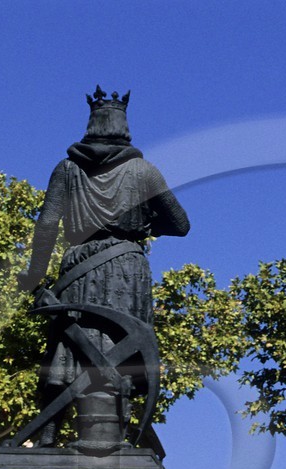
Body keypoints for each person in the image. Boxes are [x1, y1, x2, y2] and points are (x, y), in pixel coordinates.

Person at [18, 87, 190, 450]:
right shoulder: (144, 171)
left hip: (79, 266)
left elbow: (47, 224)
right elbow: (180, 223)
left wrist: (36, 277)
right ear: (124, 126)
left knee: (66, 348)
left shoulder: (67, 168)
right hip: (126, 269)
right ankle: (122, 436)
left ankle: (47, 438)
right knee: (122, 348)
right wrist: (142, 227)